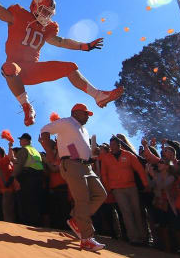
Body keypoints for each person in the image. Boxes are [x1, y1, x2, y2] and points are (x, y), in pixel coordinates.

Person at [0, 0, 124, 126]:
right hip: (17, 69)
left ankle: (98, 95)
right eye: (44, 11)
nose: (46, 16)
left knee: (70, 67)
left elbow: (61, 41)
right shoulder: (18, 15)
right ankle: (27, 106)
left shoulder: (48, 28)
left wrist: (84, 46)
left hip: (33, 69)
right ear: (35, 6)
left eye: (49, 13)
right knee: (9, 67)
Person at [39, 103, 107, 252]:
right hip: (72, 164)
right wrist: (49, 151)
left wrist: (93, 153)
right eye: (85, 114)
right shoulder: (66, 122)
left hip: (86, 165)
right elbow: (45, 129)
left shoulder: (84, 129)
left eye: (88, 114)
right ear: (75, 113)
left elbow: (80, 149)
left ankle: (76, 219)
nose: (88, 117)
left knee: (101, 194)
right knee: (82, 199)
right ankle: (86, 239)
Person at [100, 136, 148, 246]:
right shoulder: (106, 158)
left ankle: (144, 237)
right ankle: (134, 238)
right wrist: (108, 188)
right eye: (110, 145)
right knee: (126, 213)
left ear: (119, 145)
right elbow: (104, 174)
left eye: (114, 145)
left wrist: (145, 183)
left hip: (131, 187)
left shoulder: (128, 155)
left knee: (137, 211)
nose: (112, 147)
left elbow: (139, 169)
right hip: (117, 189)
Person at [11, 132, 45, 226]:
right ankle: (36, 224)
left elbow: (19, 165)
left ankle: (27, 225)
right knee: (35, 202)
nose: (20, 141)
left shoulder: (24, 150)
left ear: (26, 140)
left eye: (21, 139)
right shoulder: (35, 151)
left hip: (27, 178)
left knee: (25, 203)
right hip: (38, 177)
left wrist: (13, 177)